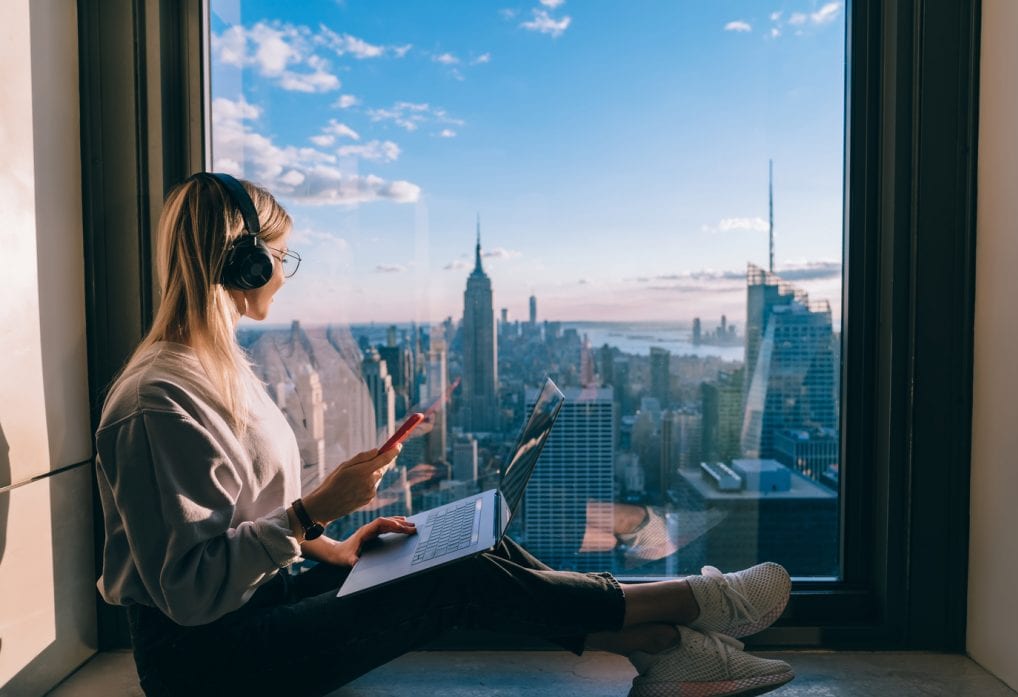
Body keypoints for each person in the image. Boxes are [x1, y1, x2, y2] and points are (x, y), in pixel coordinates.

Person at [94, 172, 796, 697]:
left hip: (254, 606)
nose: (283, 270)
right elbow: (188, 591)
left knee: (461, 539)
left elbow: (240, 523)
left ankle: (664, 646)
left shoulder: (219, 369)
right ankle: (698, 602)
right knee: (455, 577)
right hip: (209, 663)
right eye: (281, 254)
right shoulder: (159, 401)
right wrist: (316, 511)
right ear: (242, 262)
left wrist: (335, 547)